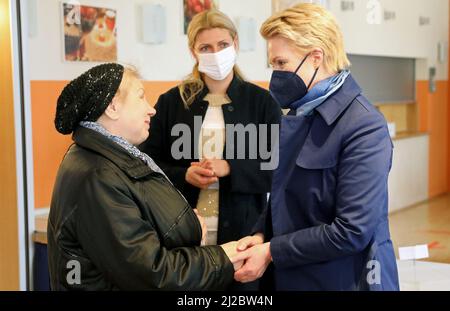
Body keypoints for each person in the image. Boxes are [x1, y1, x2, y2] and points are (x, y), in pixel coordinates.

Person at [233, 3, 400, 291]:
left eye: (281, 64)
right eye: (273, 64)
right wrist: (261, 234)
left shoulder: (363, 126)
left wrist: (272, 250)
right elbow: (285, 194)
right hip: (297, 275)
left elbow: (351, 231)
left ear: (316, 57)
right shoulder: (301, 113)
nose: (275, 74)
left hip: (345, 279)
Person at [47, 63, 242, 290]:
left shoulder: (105, 159)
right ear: (112, 107)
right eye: (141, 98)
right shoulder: (99, 176)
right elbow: (151, 273)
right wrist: (220, 257)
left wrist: (190, 229)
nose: (151, 109)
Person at [140, 10, 281, 290]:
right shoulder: (171, 103)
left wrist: (231, 167)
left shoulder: (262, 102)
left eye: (223, 45)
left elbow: (278, 169)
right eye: (206, 47)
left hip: (244, 233)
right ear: (193, 51)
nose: (215, 53)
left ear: (236, 44)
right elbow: (146, 165)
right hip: (183, 234)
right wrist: (183, 175)